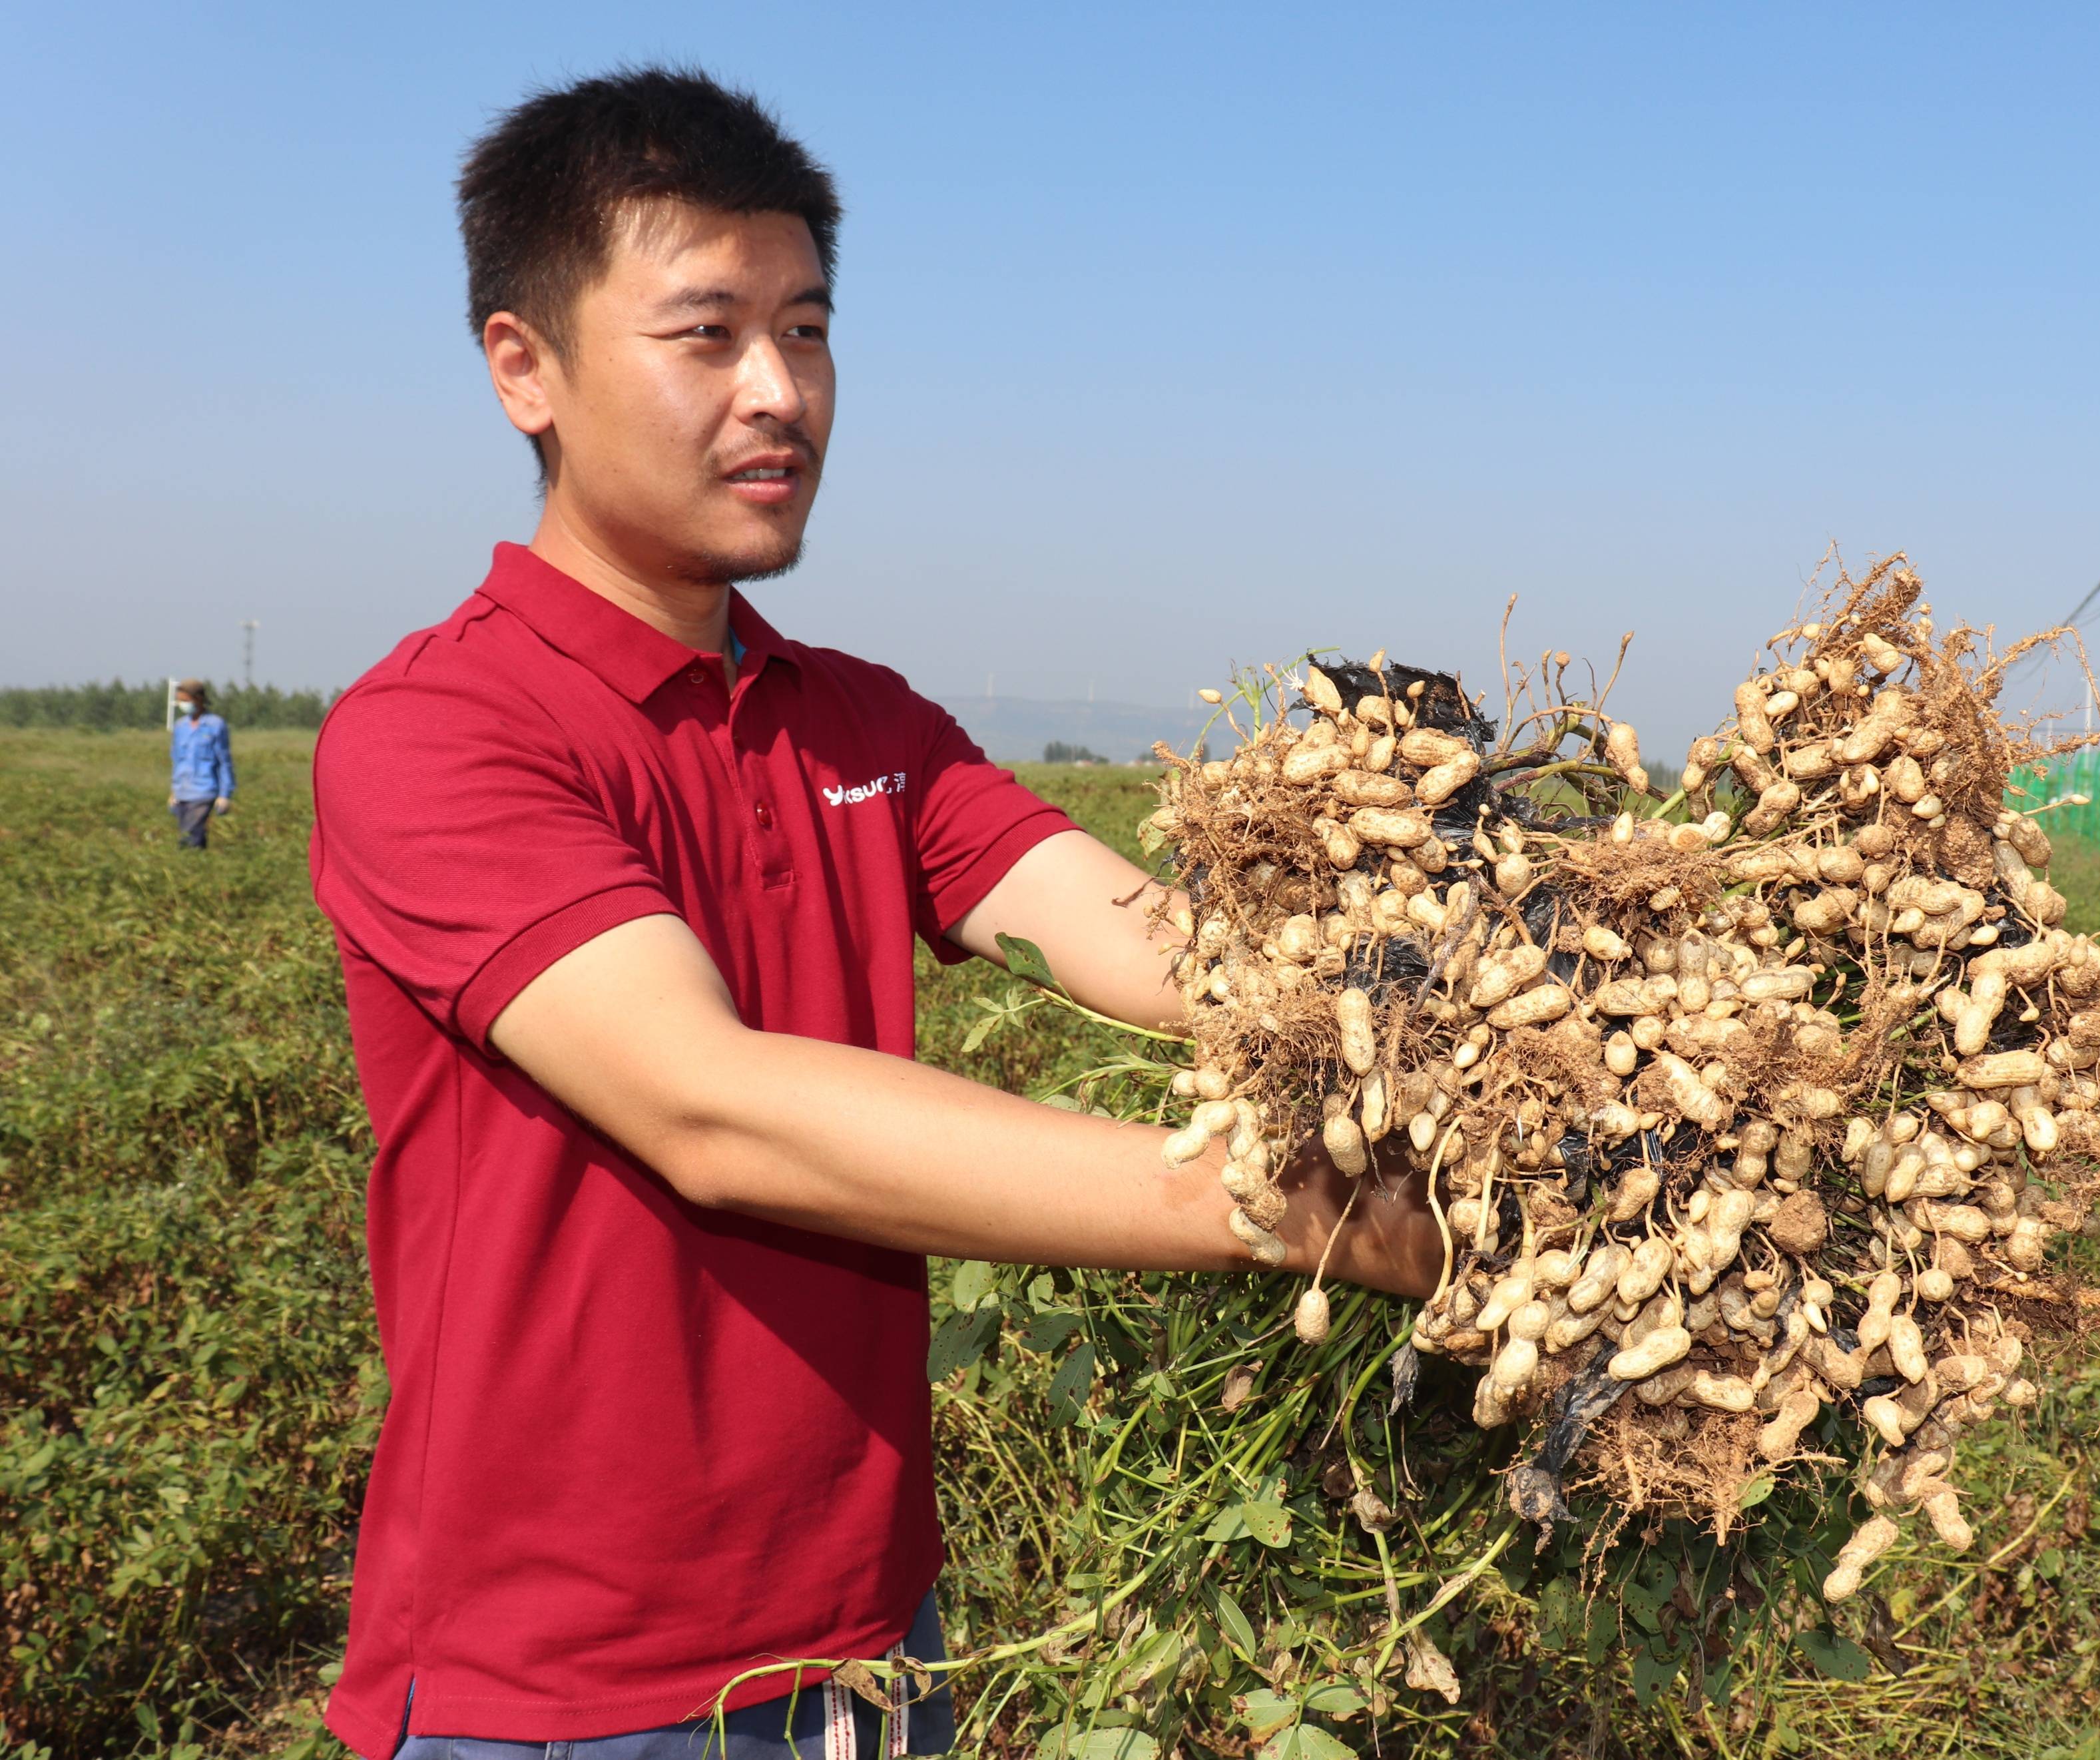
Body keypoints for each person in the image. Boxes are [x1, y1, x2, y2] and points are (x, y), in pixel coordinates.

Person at [306, 70, 1440, 1760]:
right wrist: (1286, 1213)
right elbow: (713, 1104)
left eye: (809, 329)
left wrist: (1466, 1013)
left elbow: (1143, 936)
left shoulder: (865, 725)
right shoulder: (436, 731)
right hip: (567, 1687)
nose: (778, 392)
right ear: (521, 368)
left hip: (870, 1646)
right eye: (706, 334)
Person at [168, 679, 234, 848]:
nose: (182, 704)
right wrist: (173, 792)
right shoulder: (180, 727)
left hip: (204, 791)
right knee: (191, 837)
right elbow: (177, 761)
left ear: (197, 699)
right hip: (183, 791)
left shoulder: (215, 725)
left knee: (191, 836)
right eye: (180, 701)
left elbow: (224, 762)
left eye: (185, 700)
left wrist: (224, 795)